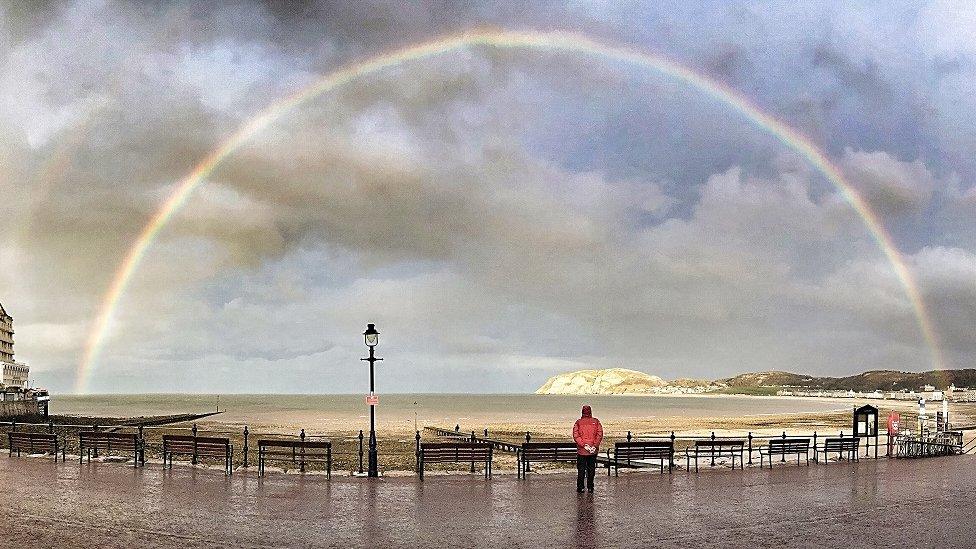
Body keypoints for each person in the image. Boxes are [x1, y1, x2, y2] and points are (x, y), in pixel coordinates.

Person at [572, 405, 603, 493]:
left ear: (582, 412)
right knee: (591, 469)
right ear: (590, 412)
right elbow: (599, 434)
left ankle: (580, 487)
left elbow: (576, 435)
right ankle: (590, 487)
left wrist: (584, 445)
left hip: (582, 451)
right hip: (593, 451)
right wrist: (594, 446)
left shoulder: (578, 422)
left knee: (581, 469)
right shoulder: (596, 422)